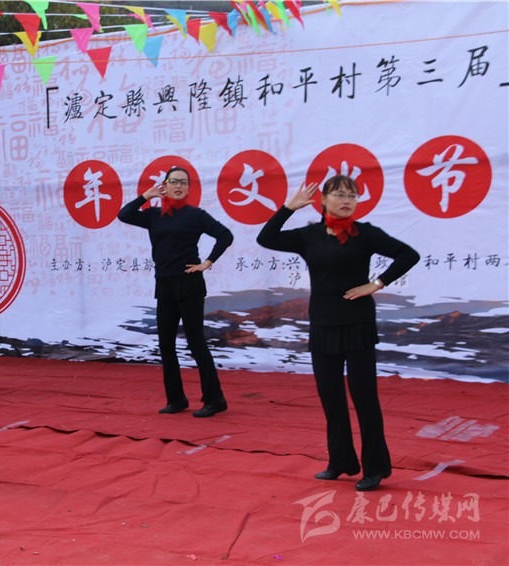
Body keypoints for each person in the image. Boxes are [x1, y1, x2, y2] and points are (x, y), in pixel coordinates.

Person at [256, 176, 419, 491]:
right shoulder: (309, 236)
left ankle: (375, 467)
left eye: (352, 196)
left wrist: (376, 284)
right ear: (323, 200)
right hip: (322, 324)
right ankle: (341, 461)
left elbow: (408, 255)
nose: (347, 200)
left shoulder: (365, 233)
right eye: (340, 195)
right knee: (330, 397)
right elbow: (267, 238)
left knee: (364, 397)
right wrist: (289, 208)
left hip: (357, 324)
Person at [118, 166, 234, 418]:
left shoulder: (196, 215)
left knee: (196, 342)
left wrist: (208, 262)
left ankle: (215, 399)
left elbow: (225, 235)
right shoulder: (153, 215)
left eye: (183, 182)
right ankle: (176, 399)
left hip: (189, 284)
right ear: (165, 185)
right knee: (166, 344)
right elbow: (124, 214)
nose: (178, 186)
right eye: (174, 182)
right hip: (164, 285)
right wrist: (145, 196)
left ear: (189, 188)